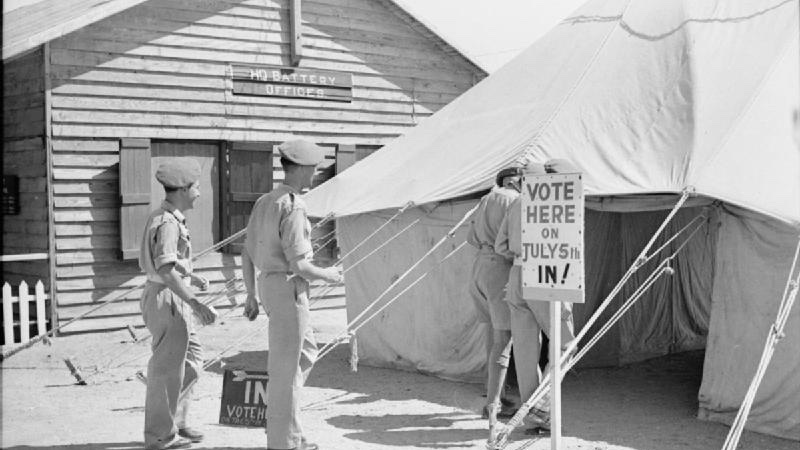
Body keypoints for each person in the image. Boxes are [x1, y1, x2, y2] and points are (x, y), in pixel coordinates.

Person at [241, 139, 342, 450]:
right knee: (285, 373)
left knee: (304, 355)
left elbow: (246, 252)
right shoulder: (294, 206)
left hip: (269, 286)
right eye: (312, 168)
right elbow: (300, 265)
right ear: (299, 169)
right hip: (288, 289)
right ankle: (283, 443)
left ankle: (291, 433)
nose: (314, 174)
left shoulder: (265, 201)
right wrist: (330, 275)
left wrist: (250, 295)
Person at [139, 158, 218, 450]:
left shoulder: (168, 218)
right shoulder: (166, 222)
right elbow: (164, 269)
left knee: (193, 361)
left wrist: (190, 275)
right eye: (196, 187)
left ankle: (177, 420)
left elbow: (171, 261)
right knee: (166, 371)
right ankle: (159, 437)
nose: (198, 193)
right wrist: (195, 302)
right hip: (167, 299)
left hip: (170, 294)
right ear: (183, 189)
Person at [494, 159, 578, 433]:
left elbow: (500, 246)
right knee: (566, 346)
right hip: (546, 273)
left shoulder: (518, 202)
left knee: (526, 352)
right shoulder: (556, 201)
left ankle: (534, 416)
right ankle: (543, 404)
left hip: (516, 276)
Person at [466, 166, 524, 427]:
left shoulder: (485, 198)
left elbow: (470, 237)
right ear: (515, 181)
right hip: (500, 267)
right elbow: (513, 243)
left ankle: (495, 394)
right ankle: (494, 406)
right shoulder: (515, 200)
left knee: (492, 335)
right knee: (504, 340)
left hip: (479, 266)